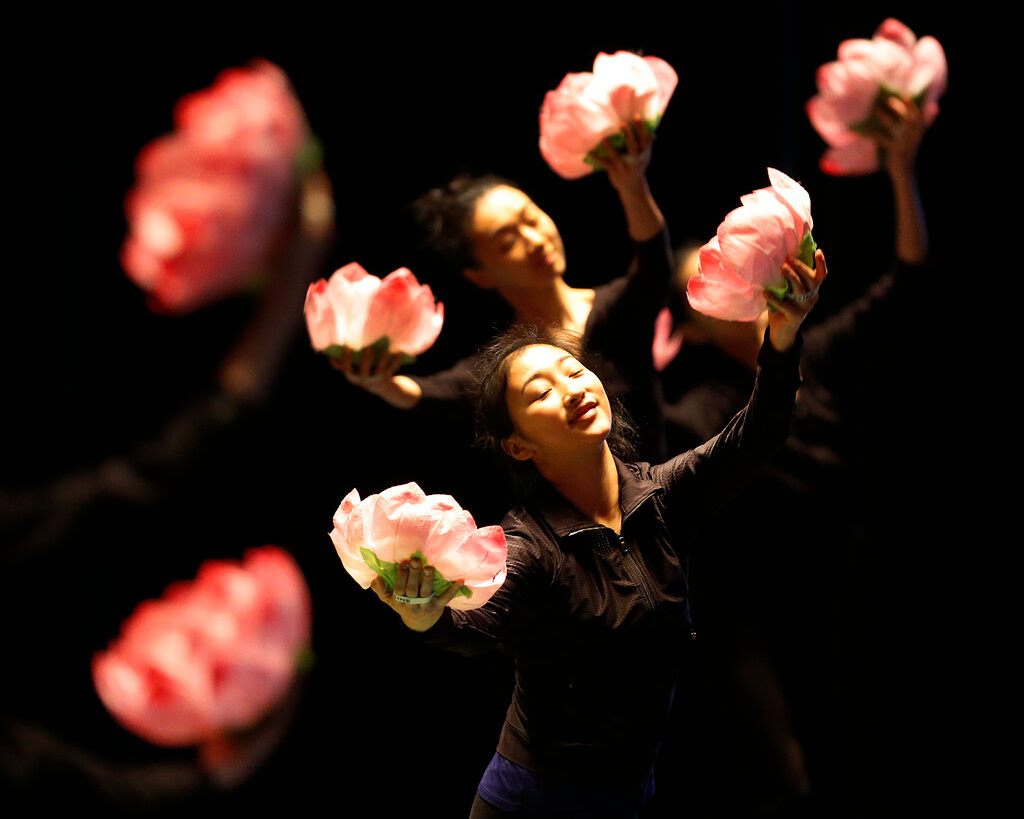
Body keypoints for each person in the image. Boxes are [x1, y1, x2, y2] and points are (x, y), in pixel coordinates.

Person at [366, 248, 827, 818]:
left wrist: (782, 334)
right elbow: (472, 626)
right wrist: (420, 613)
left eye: (574, 372)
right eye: (540, 392)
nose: (571, 389)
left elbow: (759, 432)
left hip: (627, 798)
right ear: (519, 445)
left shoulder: (661, 496)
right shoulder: (530, 545)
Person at [652, 95, 932, 814]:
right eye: (715, 285)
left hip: (834, 580)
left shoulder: (816, 352)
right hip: (744, 614)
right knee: (780, 779)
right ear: (703, 325)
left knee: (856, 754)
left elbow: (906, 281)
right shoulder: (697, 413)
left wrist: (900, 169)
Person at [332, 116, 674, 464]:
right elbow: (437, 394)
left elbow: (654, 264)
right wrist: (380, 382)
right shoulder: (507, 364)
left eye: (531, 218)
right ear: (480, 275)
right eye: (507, 241)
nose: (535, 240)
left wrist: (632, 185)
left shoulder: (618, 308)